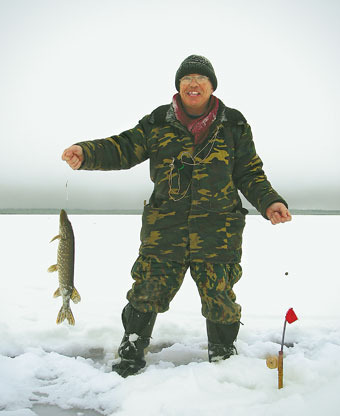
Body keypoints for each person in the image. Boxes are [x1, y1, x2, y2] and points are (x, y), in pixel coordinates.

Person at [62, 55, 292, 377]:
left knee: (219, 294)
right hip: (164, 229)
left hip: (218, 229)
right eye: (186, 79)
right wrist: (86, 153)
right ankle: (131, 348)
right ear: (178, 86)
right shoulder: (158, 122)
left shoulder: (234, 124)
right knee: (147, 289)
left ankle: (224, 356)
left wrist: (269, 202)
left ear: (212, 86)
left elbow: (249, 173)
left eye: (200, 79)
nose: (193, 84)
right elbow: (123, 147)